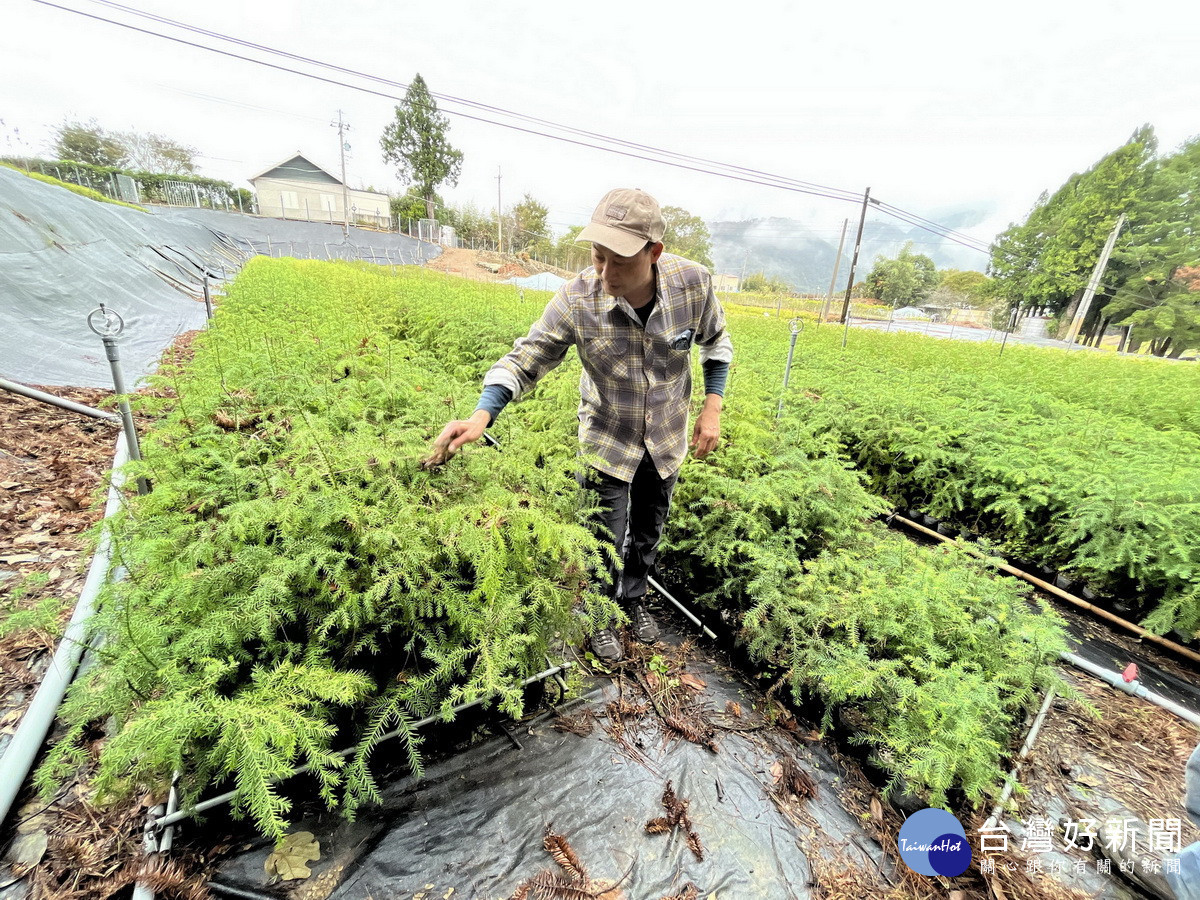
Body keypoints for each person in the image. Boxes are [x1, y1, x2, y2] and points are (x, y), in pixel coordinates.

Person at [429, 187, 733, 662]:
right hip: (607, 437)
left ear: (654, 253)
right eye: (597, 257)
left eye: (620, 262)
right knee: (603, 536)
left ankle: (632, 599)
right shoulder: (577, 300)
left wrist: (711, 408)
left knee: (649, 529)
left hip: (667, 435)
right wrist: (482, 413)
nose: (605, 273)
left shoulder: (694, 285)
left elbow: (717, 345)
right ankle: (598, 616)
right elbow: (527, 357)